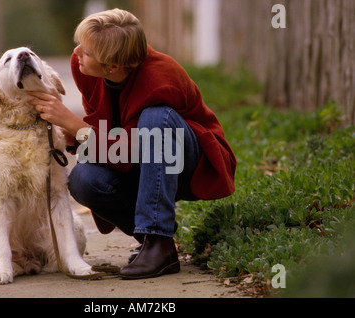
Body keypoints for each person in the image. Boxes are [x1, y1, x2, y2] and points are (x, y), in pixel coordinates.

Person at [28, 8, 236, 280]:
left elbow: (131, 151)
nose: (77, 52)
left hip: (185, 161)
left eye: (87, 52)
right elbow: (105, 127)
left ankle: (158, 238)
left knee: (155, 119)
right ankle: (156, 245)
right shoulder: (85, 67)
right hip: (139, 157)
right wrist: (58, 133)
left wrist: (71, 123)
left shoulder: (160, 79)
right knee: (83, 178)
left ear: (113, 66)